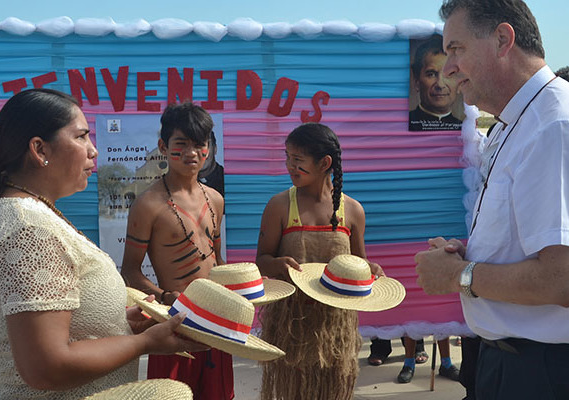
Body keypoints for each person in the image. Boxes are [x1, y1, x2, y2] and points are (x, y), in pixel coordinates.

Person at [0, 89, 207, 400]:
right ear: (39, 149)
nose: (93, 151)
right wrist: (146, 343)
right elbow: (46, 366)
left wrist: (120, 325)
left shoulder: (28, 215)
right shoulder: (29, 230)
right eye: (81, 137)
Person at [415, 1, 569, 399]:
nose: (449, 68)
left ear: (503, 39)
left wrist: (459, 276)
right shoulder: (520, 122)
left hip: (541, 371)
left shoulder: (552, 127)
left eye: (457, 49)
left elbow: (562, 279)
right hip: (514, 363)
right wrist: (472, 256)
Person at [256, 122, 384, 400]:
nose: (290, 166)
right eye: (287, 157)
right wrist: (277, 265)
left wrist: (371, 271)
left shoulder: (352, 210)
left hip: (336, 328)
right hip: (291, 326)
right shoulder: (279, 205)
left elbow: (360, 264)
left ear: (325, 163)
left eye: (298, 160)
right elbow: (262, 260)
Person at [120, 102, 231, 400]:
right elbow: (129, 270)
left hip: (216, 319)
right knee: (171, 395)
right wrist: (168, 299)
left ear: (208, 148)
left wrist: (236, 295)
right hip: (173, 324)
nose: (191, 153)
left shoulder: (215, 199)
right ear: (163, 146)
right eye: (181, 144)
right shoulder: (148, 204)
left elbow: (218, 260)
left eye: (199, 144)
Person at [409, 34, 463, 131]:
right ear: (416, 81)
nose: (440, 85)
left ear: (459, 84)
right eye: (431, 74)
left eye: (449, 75)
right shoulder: (403, 124)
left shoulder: (465, 128)